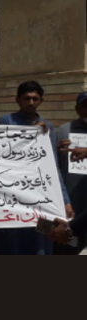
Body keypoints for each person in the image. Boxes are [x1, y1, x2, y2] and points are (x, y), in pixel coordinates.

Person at [0, 81, 72, 255]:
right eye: (27, 98)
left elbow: (52, 166)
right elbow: (6, 154)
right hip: (13, 194)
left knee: (38, 244)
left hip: (40, 195)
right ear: (18, 100)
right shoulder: (6, 121)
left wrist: (65, 200)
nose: (31, 102)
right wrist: (30, 133)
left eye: (35, 99)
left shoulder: (47, 126)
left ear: (41, 101)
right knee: (11, 245)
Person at [54, 92, 87, 254]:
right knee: (66, 248)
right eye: (85, 105)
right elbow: (53, 166)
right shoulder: (63, 131)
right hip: (72, 204)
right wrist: (58, 151)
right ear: (77, 109)